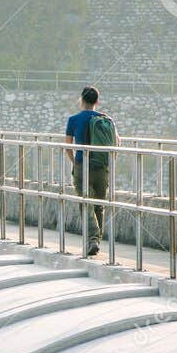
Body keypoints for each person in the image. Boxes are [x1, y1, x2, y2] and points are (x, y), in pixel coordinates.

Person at [63, 85, 118, 257]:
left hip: (82, 166)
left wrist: (75, 162)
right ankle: (95, 240)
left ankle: (93, 239)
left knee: (86, 203)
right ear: (97, 101)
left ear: (82, 100)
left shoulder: (74, 119)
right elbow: (117, 141)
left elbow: (67, 146)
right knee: (99, 206)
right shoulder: (106, 119)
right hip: (101, 167)